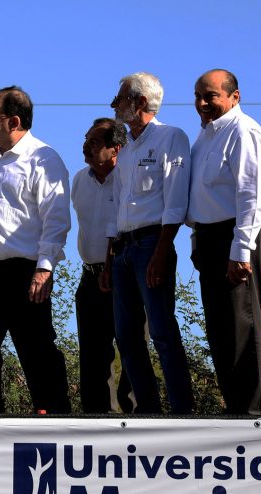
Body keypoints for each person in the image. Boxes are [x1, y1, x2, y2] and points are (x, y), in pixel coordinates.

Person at [0, 86, 71, 414]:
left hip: (24, 271)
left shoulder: (43, 159)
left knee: (36, 352)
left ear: (15, 121)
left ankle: (54, 419)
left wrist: (45, 266)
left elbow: (56, 218)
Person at [102, 72, 194, 414]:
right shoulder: (125, 152)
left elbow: (174, 200)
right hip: (124, 249)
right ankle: (149, 410)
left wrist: (160, 251)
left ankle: (182, 409)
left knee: (162, 331)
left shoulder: (171, 138)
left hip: (152, 244)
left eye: (120, 98)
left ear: (140, 102)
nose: (114, 106)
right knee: (126, 337)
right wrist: (109, 259)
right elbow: (116, 207)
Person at [189, 69, 261, 415]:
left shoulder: (243, 130)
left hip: (240, 234)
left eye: (210, 95)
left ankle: (258, 415)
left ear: (234, 97)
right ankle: (237, 411)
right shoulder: (205, 138)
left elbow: (250, 194)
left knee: (243, 322)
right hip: (211, 238)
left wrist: (240, 250)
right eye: (198, 95)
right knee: (219, 329)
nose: (202, 103)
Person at [71, 118, 139, 413]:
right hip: (90, 277)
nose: (86, 146)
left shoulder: (129, 180)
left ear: (116, 150)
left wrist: (113, 266)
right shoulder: (79, 180)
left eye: (94, 142)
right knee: (92, 354)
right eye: (86, 140)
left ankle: (138, 417)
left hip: (125, 274)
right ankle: (98, 418)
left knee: (132, 347)